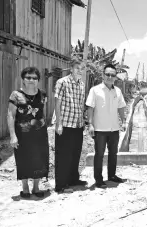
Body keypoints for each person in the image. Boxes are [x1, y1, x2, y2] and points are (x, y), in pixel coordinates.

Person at [7, 67, 49, 198]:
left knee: (40, 158)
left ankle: (36, 188)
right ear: (23, 79)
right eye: (28, 77)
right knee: (23, 158)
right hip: (22, 134)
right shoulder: (16, 95)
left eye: (35, 78)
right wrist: (13, 135)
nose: (31, 80)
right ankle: (25, 188)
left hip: (40, 134)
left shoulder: (43, 94)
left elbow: (42, 112)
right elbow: (10, 115)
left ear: (38, 80)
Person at [86, 64, 127, 188]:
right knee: (99, 154)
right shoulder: (95, 90)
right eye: (107, 74)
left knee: (113, 153)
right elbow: (90, 107)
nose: (110, 77)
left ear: (115, 77)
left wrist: (123, 121)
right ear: (103, 75)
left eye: (112, 75)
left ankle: (112, 175)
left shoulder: (117, 91)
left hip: (114, 128)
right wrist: (90, 125)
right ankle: (98, 179)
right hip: (100, 129)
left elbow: (121, 107)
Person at [54, 59, 86, 193]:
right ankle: (61, 185)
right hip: (65, 124)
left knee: (75, 154)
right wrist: (58, 123)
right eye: (77, 68)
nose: (79, 71)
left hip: (77, 125)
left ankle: (73, 179)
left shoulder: (82, 84)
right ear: (71, 68)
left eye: (82, 68)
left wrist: (83, 122)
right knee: (63, 155)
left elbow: (80, 104)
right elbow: (57, 102)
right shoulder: (62, 82)